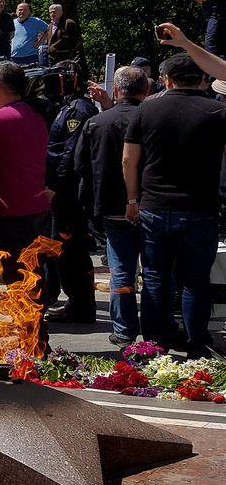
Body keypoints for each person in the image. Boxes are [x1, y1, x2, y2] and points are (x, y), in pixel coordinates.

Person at [124, 52, 226, 357]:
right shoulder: (217, 112)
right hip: (200, 208)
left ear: (167, 79)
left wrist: (133, 199)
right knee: (196, 280)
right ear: (204, 79)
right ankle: (197, 344)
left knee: (155, 278)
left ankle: (155, 344)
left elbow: (129, 159)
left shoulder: (147, 109)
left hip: (155, 205)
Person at [75, 65, 150, 348]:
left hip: (110, 205)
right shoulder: (152, 119)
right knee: (154, 271)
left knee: (120, 270)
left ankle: (124, 329)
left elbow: (80, 165)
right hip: (150, 203)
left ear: (116, 90)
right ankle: (154, 328)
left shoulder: (96, 123)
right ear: (146, 90)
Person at [0, 62, 51, 293]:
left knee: (16, 278)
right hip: (37, 207)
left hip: (8, 211)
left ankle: (29, 317)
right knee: (34, 273)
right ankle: (38, 314)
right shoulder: (37, 115)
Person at [43, 61, 98, 322]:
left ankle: (81, 306)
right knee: (65, 251)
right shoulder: (67, 107)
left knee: (70, 251)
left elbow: (70, 153)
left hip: (68, 194)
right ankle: (77, 303)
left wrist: (55, 187)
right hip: (63, 192)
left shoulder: (79, 109)